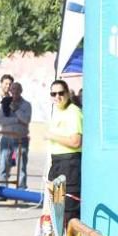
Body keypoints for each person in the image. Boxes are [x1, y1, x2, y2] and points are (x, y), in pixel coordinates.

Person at [46, 79, 83, 226]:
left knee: (69, 209)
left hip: (70, 163)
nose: (57, 97)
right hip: (57, 162)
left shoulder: (73, 112)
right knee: (55, 208)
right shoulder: (57, 111)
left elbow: (75, 142)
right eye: (53, 93)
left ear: (67, 93)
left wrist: (51, 135)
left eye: (61, 93)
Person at [0, 81, 32, 189]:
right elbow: (1, 120)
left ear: (21, 91)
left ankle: (21, 189)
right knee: (3, 164)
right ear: (10, 91)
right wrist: (17, 119)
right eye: (13, 89)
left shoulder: (26, 105)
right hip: (6, 138)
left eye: (17, 89)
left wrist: (16, 109)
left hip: (21, 139)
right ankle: (2, 189)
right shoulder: (5, 103)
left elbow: (26, 120)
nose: (15, 92)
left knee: (21, 166)